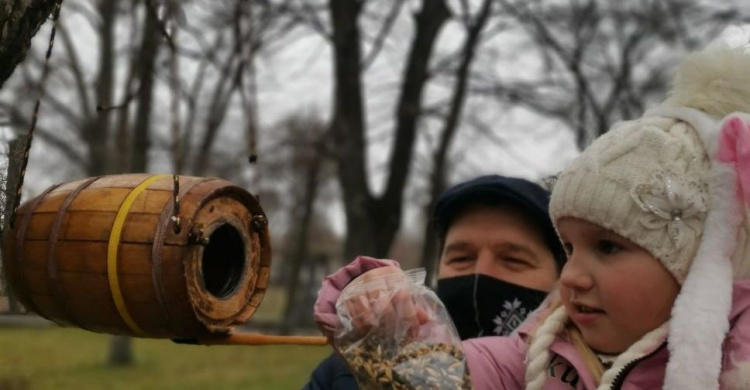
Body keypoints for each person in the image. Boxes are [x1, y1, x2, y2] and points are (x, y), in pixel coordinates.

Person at [313, 26, 750, 389]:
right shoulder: (540, 353)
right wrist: (388, 323)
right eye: (572, 248)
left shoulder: (735, 368)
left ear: (696, 265)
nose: (572, 276)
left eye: (608, 247)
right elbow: (451, 374)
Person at [303, 175, 566, 389]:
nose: (480, 274)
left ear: (561, 276)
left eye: (513, 260)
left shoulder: (587, 376)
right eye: (462, 258)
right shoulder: (349, 375)